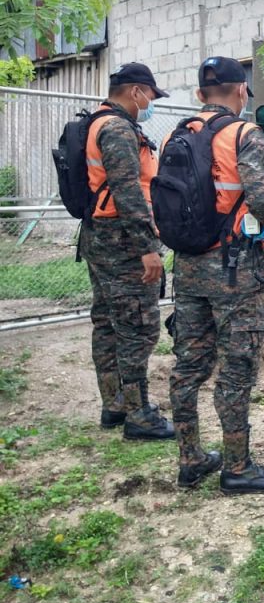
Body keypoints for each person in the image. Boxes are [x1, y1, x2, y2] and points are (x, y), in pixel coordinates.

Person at [167, 56, 264, 493]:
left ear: (200, 94)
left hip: (187, 268)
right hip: (234, 272)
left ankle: (190, 459)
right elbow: (262, 198)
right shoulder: (244, 133)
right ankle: (238, 468)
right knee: (237, 368)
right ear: (241, 91)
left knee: (188, 365)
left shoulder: (177, 133)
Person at [82, 62, 175, 440]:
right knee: (138, 326)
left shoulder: (96, 122)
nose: (151, 103)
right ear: (136, 91)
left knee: (107, 322)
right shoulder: (118, 129)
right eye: (150, 95)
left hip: (100, 237)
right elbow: (128, 192)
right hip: (123, 243)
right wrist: (147, 248)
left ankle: (115, 404)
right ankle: (139, 415)